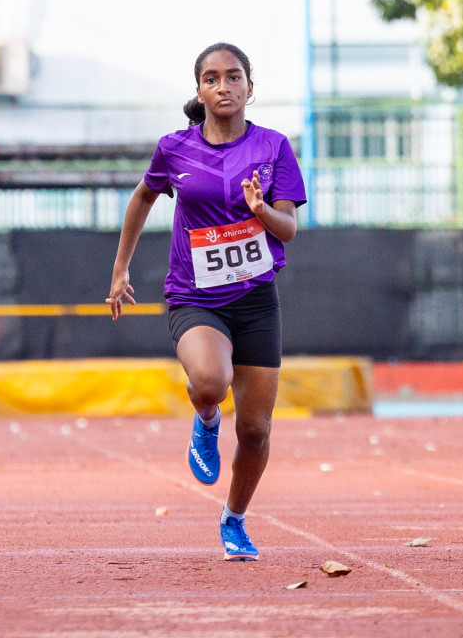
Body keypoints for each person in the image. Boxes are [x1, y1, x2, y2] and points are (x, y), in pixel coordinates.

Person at [108, 42, 306, 560]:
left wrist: (261, 209)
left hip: (257, 298)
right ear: (199, 90)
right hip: (196, 296)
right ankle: (206, 420)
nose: (225, 86)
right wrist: (121, 267)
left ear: (250, 88)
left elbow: (288, 229)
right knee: (211, 383)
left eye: (234, 77)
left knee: (258, 430)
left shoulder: (274, 147)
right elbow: (143, 197)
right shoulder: (174, 149)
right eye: (213, 78)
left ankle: (235, 519)